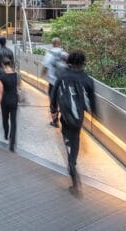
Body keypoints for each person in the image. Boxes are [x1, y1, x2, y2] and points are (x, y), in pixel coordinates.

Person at [50, 51, 95, 194]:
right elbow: (92, 102)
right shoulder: (87, 79)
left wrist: (54, 110)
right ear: (83, 63)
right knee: (75, 140)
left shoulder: (63, 76)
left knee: (68, 141)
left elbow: (54, 95)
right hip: (78, 118)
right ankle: (72, 162)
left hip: (66, 117)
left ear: (69, 62)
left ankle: (74, 173)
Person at [42, 37, 68, 127]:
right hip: (64, 83)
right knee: (63, 100)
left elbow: (45, 66)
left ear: (52, 44)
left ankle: (55, 120)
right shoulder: (65, 53)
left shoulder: (49, 54)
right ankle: (64, 119)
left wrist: (42, 75)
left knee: (53, 101)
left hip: (53, 83)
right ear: (60, 43)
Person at [0, 57, 20, 152]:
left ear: (2, 65)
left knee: (5, 119)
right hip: (14, 99)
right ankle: (12, 144)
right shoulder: (16, 75)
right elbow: (18, 87)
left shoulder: (1, 76)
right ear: (10, 64)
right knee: (14, 122)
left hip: (5, 101)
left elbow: (0, 91)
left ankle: (6, 133)